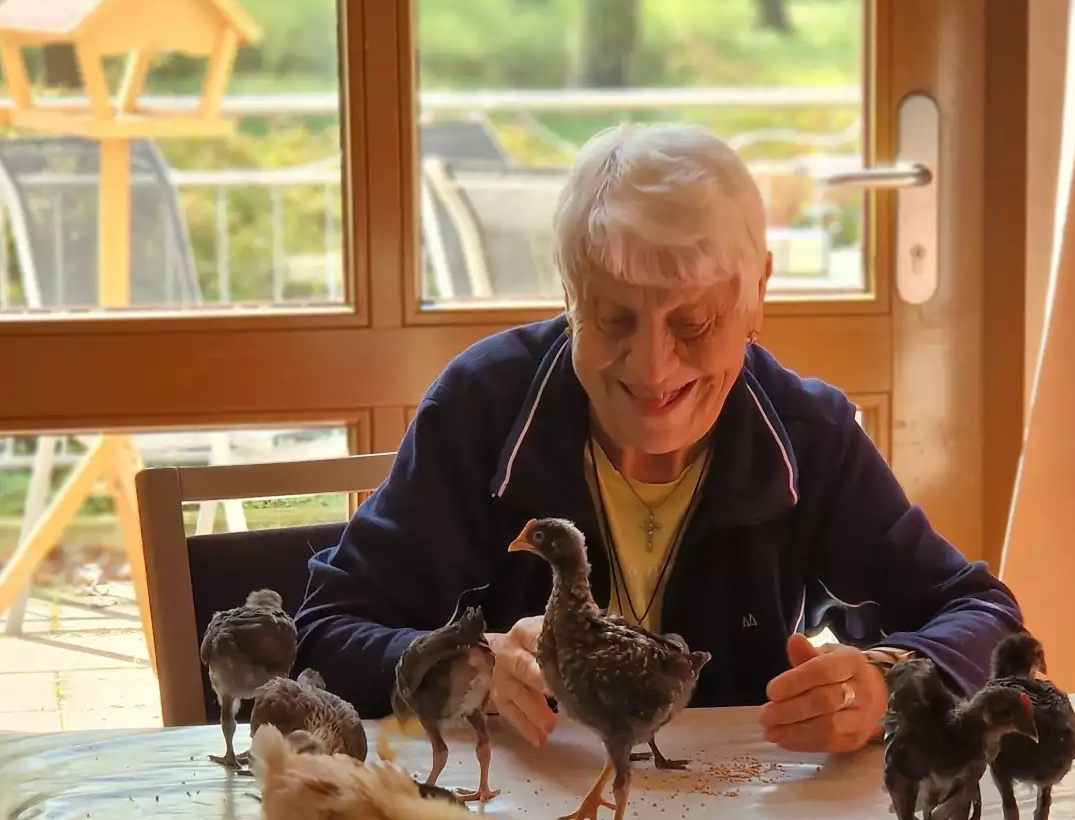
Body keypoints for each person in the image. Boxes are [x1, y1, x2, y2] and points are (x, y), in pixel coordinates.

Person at [295, 122, 1021, 755]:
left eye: (693, 323)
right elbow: (320, 633)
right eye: (612, 319)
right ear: (568, 295)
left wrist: (886, 684)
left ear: (757, 295)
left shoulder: (808, 436)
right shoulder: (478, 410)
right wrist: (466, 661)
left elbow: (986, 617)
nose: (651, 367)